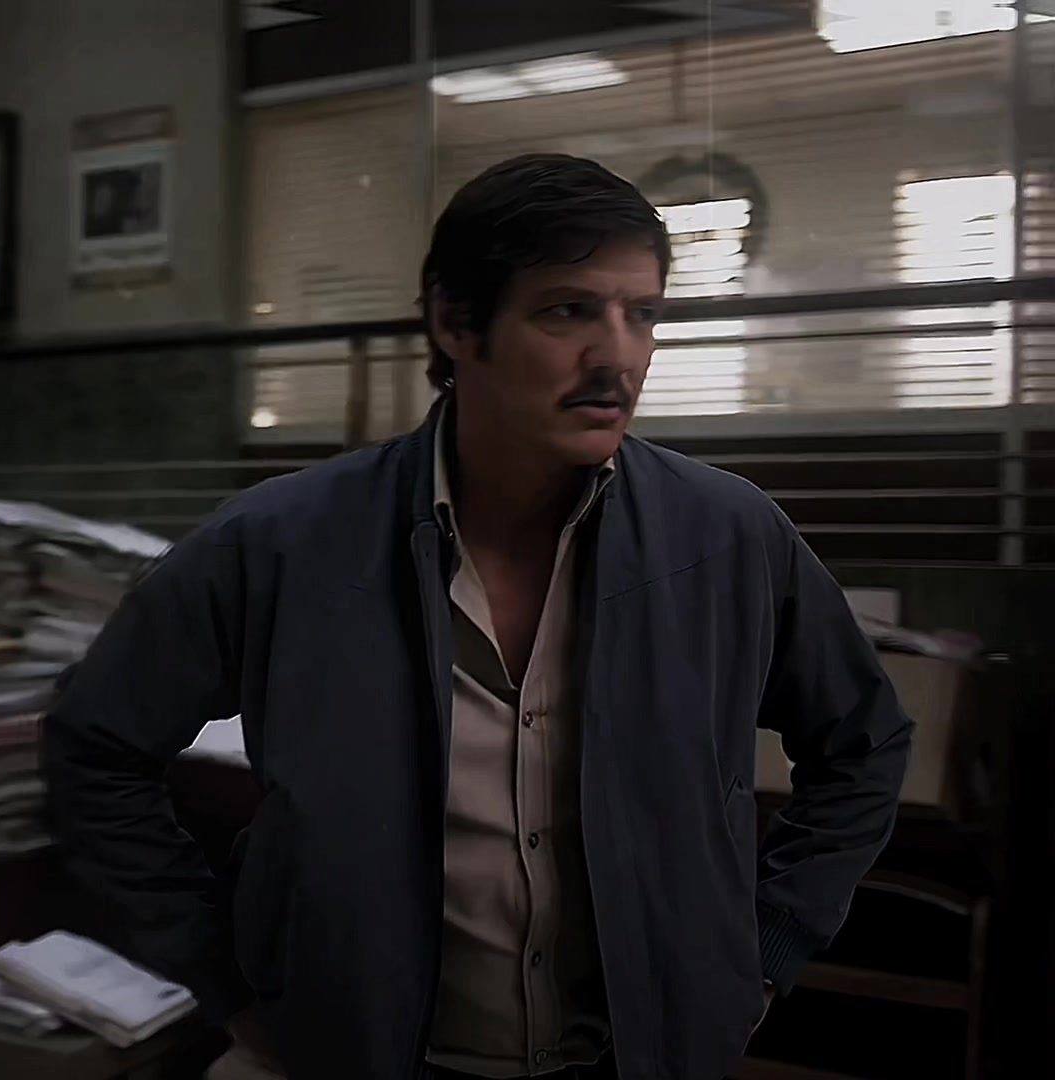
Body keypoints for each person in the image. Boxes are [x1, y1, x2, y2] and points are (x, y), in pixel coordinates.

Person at [44, 153, 912, 1080]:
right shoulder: (281, 544)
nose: (616, 356)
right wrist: (226, 976)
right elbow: (97, 747)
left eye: (642, 314)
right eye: (568, 310)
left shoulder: (726, 536)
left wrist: (764, 950)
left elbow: (864, 745)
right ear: (456, 321)